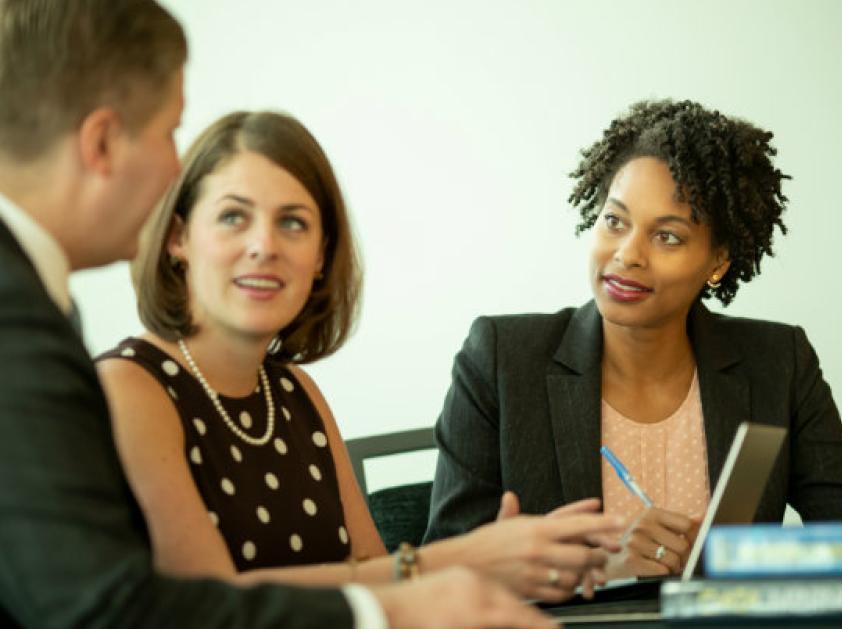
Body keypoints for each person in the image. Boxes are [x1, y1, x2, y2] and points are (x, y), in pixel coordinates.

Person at [0, 1, 559, 627]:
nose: (171, 168)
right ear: (102, 141)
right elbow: (112, 608)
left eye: (293, 222)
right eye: (168, 131)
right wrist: (415, 594)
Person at [96, 110, 622, 604]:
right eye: (233, 216)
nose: (264, 245)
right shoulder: (130, 388)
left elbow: (378, 582)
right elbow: (217, 607)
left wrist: (503, 564)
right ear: (177, 237)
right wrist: (461, 560)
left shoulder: (293, 391)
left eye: (294, 223)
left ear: (322, 256)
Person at [423, 98, 842, 579]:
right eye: (615, 221)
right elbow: (440, 569)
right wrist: (602, 566)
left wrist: (740, 559)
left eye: (667, 236)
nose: (628, 254)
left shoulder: (777, 363)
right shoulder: (501, 359)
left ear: (717, 262)